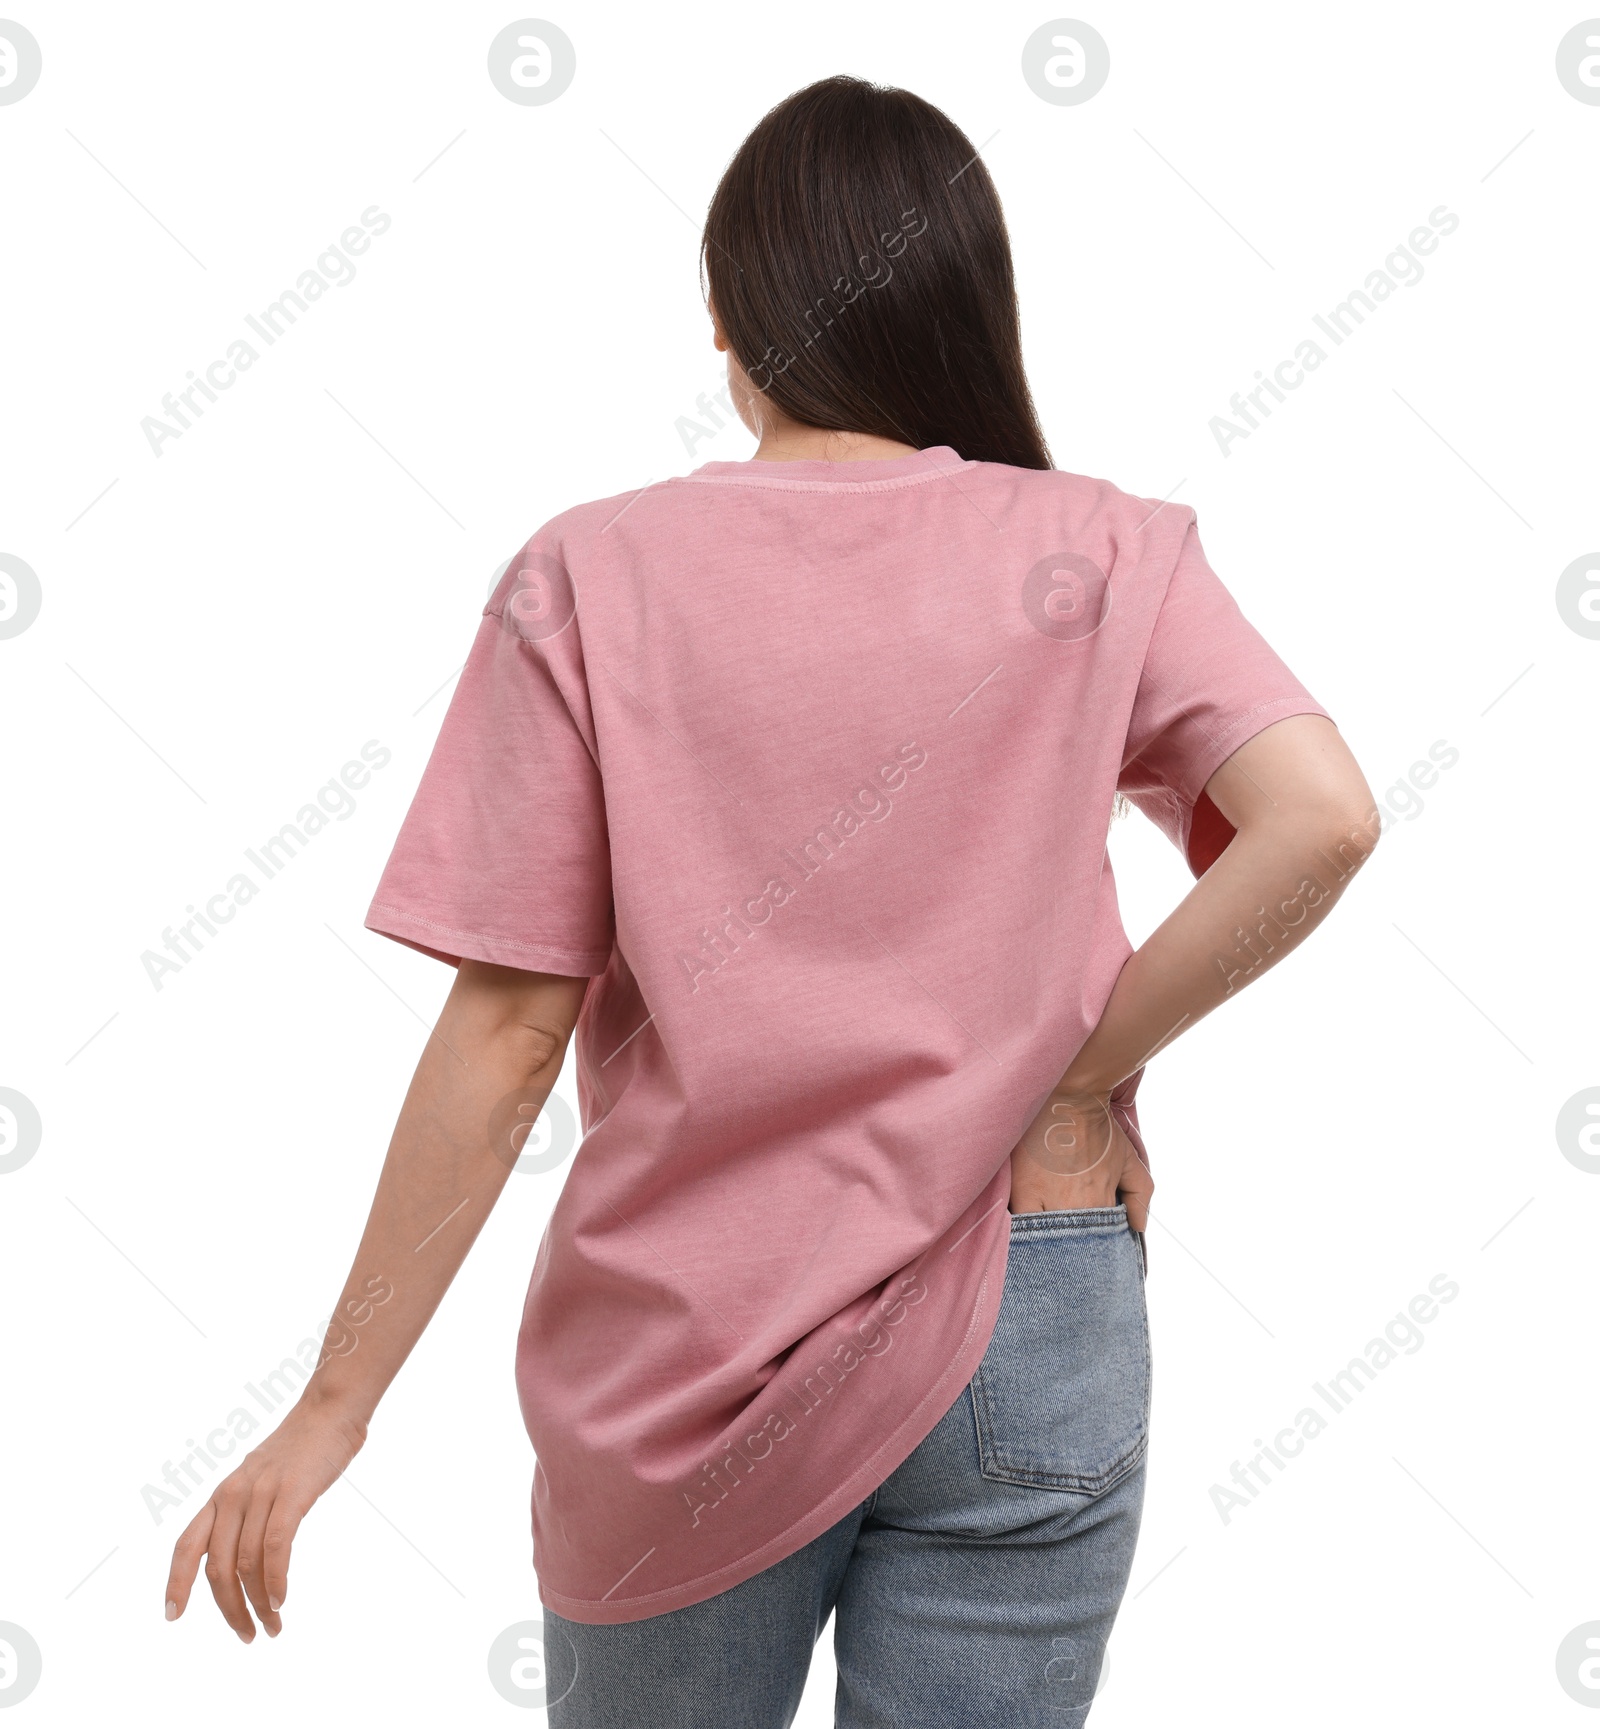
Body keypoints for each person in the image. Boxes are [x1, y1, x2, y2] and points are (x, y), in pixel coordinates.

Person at [165, 75, 1378, 1727]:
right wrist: (1078, 1071)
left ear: (731, 320)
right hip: (1036, 1286)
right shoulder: (1106, 549)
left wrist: (331, 1404)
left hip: (688, 1351)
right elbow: (1320, 819)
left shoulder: (589, 574)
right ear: (965, 302)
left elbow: (512, 1032)